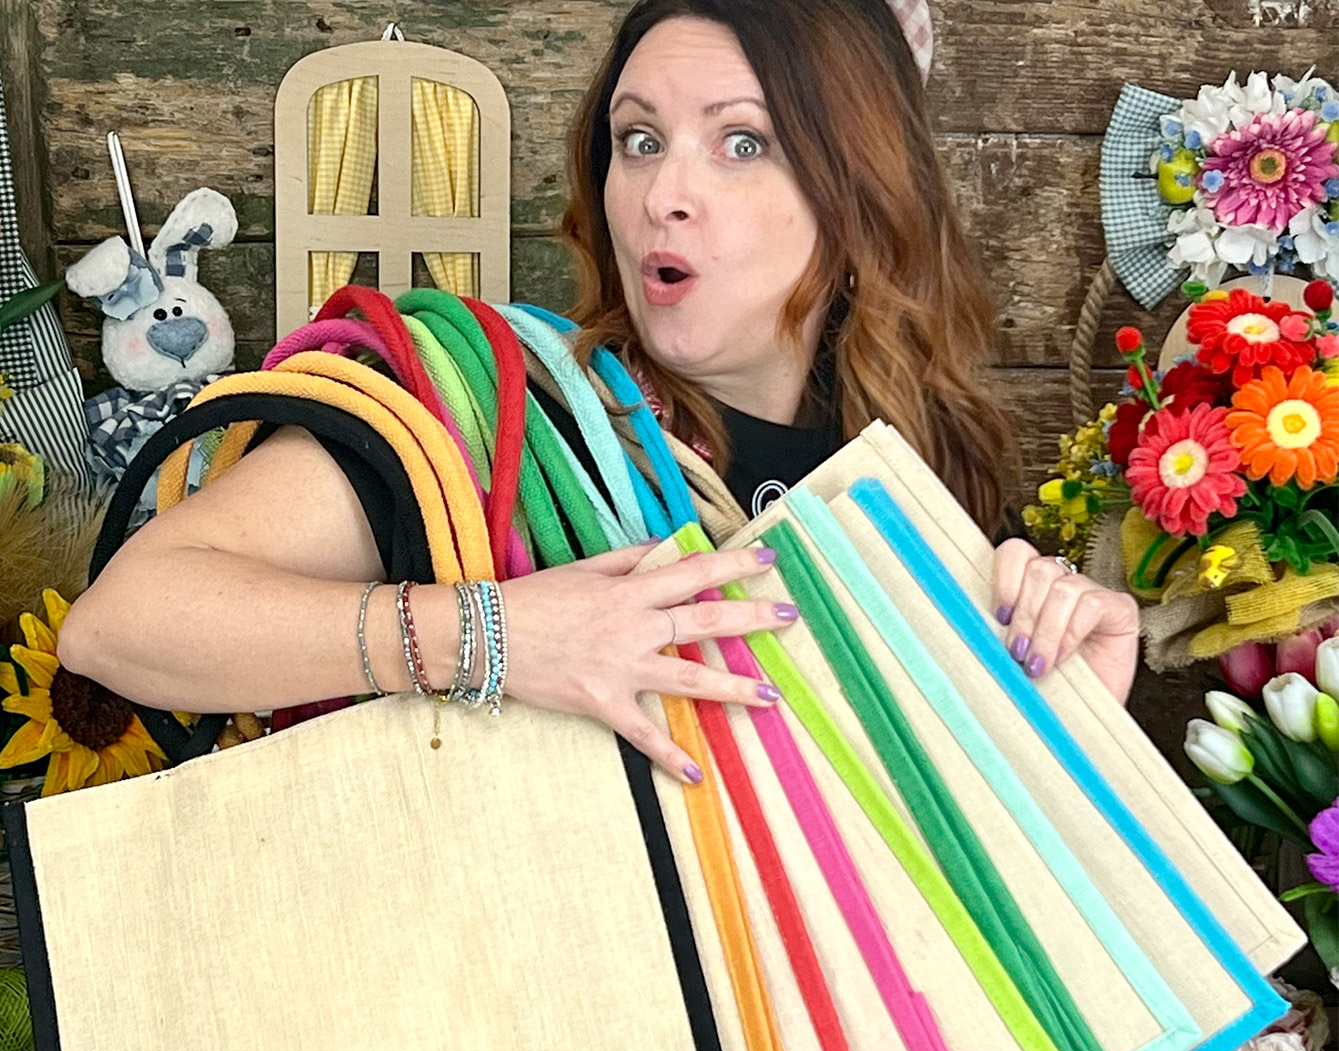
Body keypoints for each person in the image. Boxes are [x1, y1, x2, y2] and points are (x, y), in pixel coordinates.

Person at [57, 0, 1140, 784]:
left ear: (858, 187)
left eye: (742, 142)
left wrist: (1078, 707)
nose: (664, 193)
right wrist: (498, 638)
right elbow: (124, 625)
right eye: (639, 140)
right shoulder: (492, 412)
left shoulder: (921, 475)